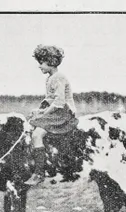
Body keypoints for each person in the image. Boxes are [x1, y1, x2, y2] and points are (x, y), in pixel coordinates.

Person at [24, 45, 78, 186]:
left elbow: (59, 102)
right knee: (31, 122)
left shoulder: (58, 78)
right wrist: (39, 110)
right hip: (57, 111)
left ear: (51, 62)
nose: (39, 66)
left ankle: (39, 173)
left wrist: (43, 114)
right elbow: (50, 100)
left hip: (63, 113)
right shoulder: (51, 78)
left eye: (41, 63)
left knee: (37, 134)